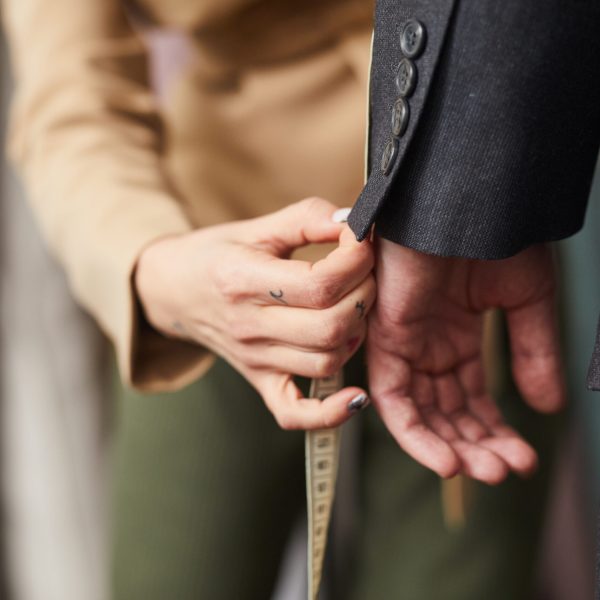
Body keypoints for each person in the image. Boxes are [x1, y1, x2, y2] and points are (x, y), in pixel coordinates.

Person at [2, 1, 589, 599]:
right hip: (216, 266)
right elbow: (71, 97)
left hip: (469, 248)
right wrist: (154, 270)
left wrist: (470, 199)